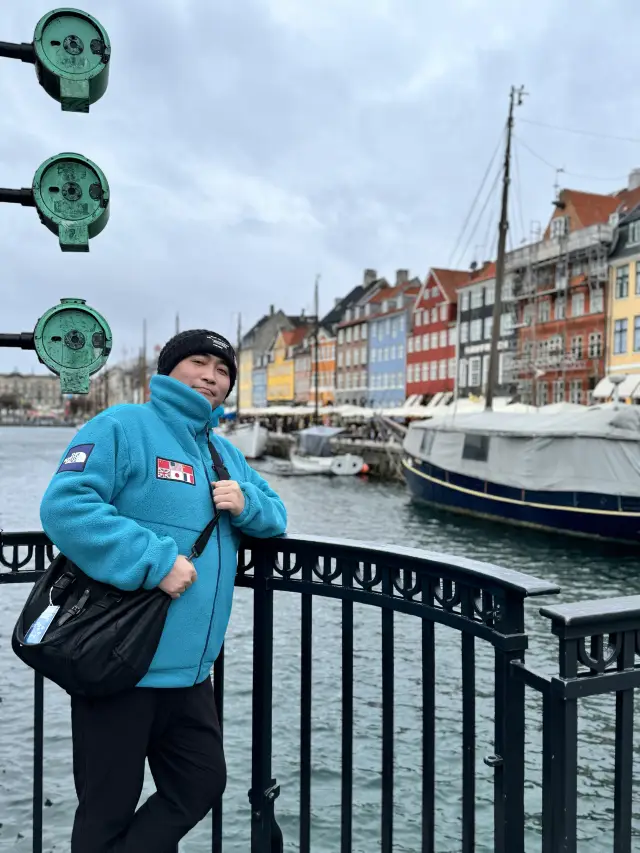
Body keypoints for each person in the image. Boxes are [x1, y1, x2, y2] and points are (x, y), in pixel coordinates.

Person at [39, 329, 287, 853]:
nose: (211, 377)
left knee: (200, 782)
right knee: (106, 810)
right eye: (199, 363)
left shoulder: (224, 453)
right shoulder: (123, 425)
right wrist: (153, 563)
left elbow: (277, 515)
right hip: (119, 662)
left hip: (192, 672)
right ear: (169, 369)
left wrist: (246, 504)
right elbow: (66, 506)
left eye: (222, 372)